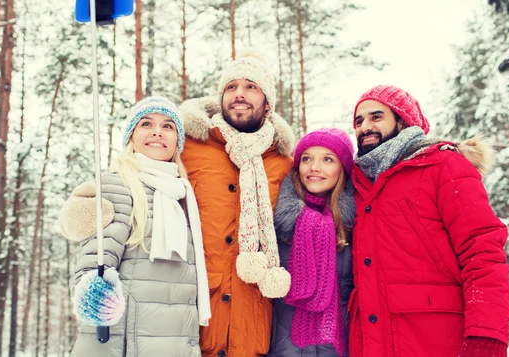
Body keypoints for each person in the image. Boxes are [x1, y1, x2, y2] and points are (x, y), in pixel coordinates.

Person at [347, 85, 509, 357]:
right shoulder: (357, 183)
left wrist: (487, 334)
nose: (365, 126)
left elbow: (482, 252)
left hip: (439, 341)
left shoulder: (444, 166)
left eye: (376, 117)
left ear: (403, 120)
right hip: (372, 342)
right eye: (358, 121)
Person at [59, 97, 210, 357]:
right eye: (146, 124)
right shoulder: (118, 186)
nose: (157, 132)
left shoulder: (182, 196)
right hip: (125, 345)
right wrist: (96, 292)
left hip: (177, 344)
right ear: (131, 136)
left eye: (168, 126)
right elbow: (96, 261)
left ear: (177, 141)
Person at [178, 48, 295, 357]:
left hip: (252, 323)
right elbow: (138, 174)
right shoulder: (188, 147)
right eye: (231, 87)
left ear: (267, 103)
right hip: (196, 323)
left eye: (250, 87)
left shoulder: (284, 162)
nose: (239, 94)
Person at [267, 128, 356, 357]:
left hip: (338, 348)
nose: (314, 167)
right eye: (307, 158)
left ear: (342, 168)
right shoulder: (279, 222)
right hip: (284, 348)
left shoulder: (356, 224)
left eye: (327, 159)